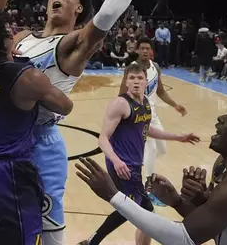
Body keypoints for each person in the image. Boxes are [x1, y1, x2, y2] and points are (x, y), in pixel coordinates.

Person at [0, 0, 176, 244]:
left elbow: (108, 15)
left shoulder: (72, 47)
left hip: (38, 147)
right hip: (1, 145)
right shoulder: (22, 36)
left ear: (79, 11)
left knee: (49, 237)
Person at [75, 99, 227, 245]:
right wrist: (178, 200)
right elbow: (212, 225)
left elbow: (183, 239)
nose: (220, 118)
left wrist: (113, 195)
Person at [0, 9, 74, 245]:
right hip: (7, 176)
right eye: (8, 32)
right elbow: (65, 106)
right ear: (3, 42)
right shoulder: (27, 77)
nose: (13, 33)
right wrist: (30, 64)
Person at [79, 63, 199, 245]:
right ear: (126, 82)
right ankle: (92, 241)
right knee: (135, 210)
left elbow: (146, 129)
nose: (136, 82)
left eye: (140, 78)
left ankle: (92, 242)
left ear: (146, 82)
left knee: (140, 211)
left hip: (134, 164)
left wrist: (177, 137)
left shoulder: (145, 104)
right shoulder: (120, 104)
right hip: (122, 165)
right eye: (132, 78)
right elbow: (103, 138)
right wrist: (117, 161)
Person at [124, 37, 187, 191]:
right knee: (151, 148)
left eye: (148, 48)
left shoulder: (156, 67)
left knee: (162, 149)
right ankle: (148, 185)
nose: (145, 51)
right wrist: (126, 114)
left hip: (153, 114)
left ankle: (140, 164)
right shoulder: (132, 69)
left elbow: (160, 91)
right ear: (137, 50)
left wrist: (175, 105)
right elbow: (122, 93)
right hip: (139, 114)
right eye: (142, 48)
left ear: (151, 51)